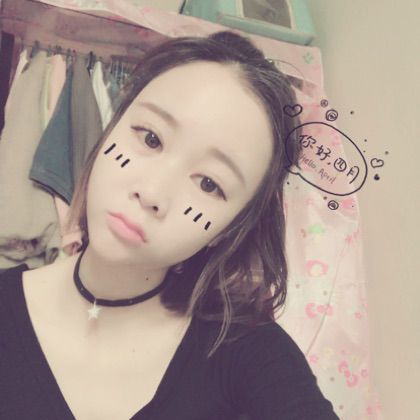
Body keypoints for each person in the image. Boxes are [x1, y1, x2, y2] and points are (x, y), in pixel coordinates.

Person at [0, 31, 339, 419]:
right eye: (151, 138)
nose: (152, 193)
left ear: (228, 231)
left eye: (209, 183)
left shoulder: (249, 351)